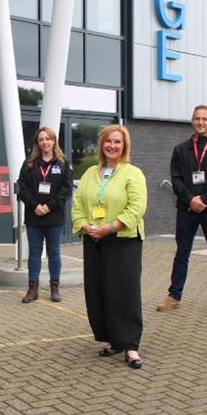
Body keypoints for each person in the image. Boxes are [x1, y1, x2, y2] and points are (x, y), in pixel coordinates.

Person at [71, 124, 147, 369]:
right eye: (108, 141)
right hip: (94, 240)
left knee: (125, 292)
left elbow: (137, 207)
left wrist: (110, 227)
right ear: (101, 145)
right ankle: (115, 341)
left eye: (117, 142)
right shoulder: (89, 173)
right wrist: (85, 226)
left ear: (124, 146)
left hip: (123, 240)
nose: (112, 146)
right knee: (100, 291)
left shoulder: (132, 173)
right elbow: (77, 204)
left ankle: (131, 346)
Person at [157, 104, 207, 316]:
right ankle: (174, 296)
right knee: (182, 253)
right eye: (197, 118)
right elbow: (176, 180)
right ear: (192, 121)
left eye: (205, 119)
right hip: (187, 210)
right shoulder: (181, 149)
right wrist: (191, 199)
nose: (200, 122)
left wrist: (204, 199)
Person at [16, 126, 74, 303]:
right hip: (34, 217)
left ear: (54, 140)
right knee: (34, 253)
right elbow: (22, 188)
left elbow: (66, 189)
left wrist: (48, 207)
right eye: (41, 139)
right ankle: (32, 289)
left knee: (54, 253)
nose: (45, 142)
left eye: (48, 139)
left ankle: (54, 288)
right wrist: (35, 206)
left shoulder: (63, 163)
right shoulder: (29, 164)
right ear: (37, 143)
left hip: (54, 217)